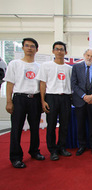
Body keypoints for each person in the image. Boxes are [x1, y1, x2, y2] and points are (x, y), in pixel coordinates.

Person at [4, 38, 45, 168]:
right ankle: (16, 157)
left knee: (35, 129)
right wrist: (9, 101)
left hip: (35, 99)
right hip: (19, 98)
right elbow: (10, 84)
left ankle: (34, 151)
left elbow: (42, 85)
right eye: (26, 46)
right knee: (16, 129)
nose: (29, 48)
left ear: (36, 50)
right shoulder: (14, 64)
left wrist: (42, 101)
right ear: (22, 48)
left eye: (32, 46)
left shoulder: (39, 67)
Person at [36, 41, 72, 161]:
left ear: (66, 52)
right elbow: (42, 83)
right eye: (57, 49)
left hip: (66, 98)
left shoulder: (69, 68)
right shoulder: (46, 66)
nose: (59, 51)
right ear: (53, 51)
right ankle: (52, 150)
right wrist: (43, 100)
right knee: (51, 125)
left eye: (62, 49)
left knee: (64, 125)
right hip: (51, 97)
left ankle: (61, 147)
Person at [71, 48, 92, 156]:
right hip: (80, 101)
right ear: (84, 55)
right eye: (88, 55)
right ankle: (82, 146)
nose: (89, 58)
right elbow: (74, 84)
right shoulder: (76, 67)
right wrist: (84, 96)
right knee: (80, 125)